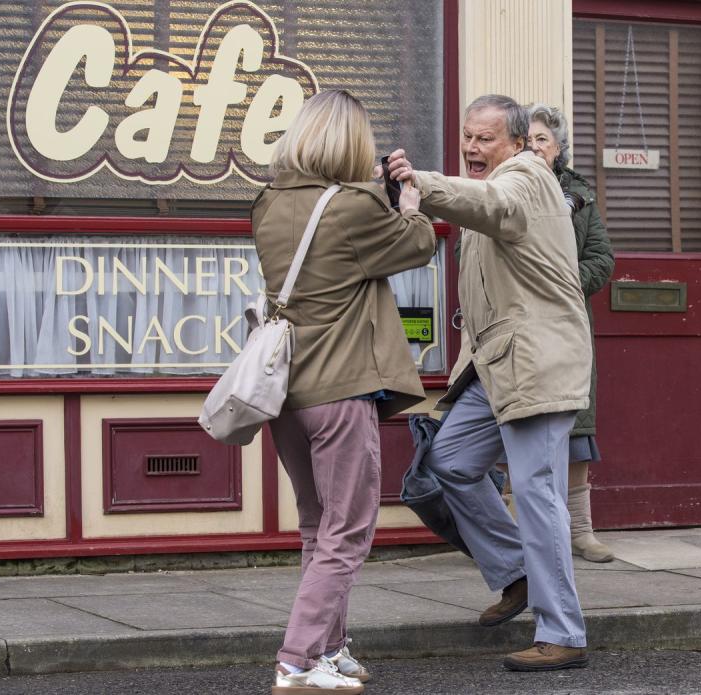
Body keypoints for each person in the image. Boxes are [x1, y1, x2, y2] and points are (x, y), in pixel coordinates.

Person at [389, 94, 593, 672]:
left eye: (485, 139)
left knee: (538, 496)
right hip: (494, 365)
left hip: (536, 362)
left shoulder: (525, 177)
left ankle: (564, 633)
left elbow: (487, 201)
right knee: (448, 462)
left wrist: (418, 182)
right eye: (467, 137)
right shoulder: (501, 185)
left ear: (518, 142)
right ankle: (518, 573)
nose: (473, 148)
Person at [254, 89, 435, 694]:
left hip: (287, 394)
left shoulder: (268, 204)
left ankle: (329, 649)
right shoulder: (357, 206)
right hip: (341, 392)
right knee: (349, 529)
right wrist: (408, 203)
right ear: (354, 144)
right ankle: (299, 660)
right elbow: (414, 246)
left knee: (317, 526)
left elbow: (338, 257)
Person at [526, 103, 615, 563]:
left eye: (542, 139)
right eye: (527, 139)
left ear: (559, 148)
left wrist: (560, 281)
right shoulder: (502, 188)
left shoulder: (579, 196)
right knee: (515, 430)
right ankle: (515, 536)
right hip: (516, 328)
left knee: (575, 431)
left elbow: (602, 259)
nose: (534, 146)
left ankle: (580, 531)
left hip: (566, 328)